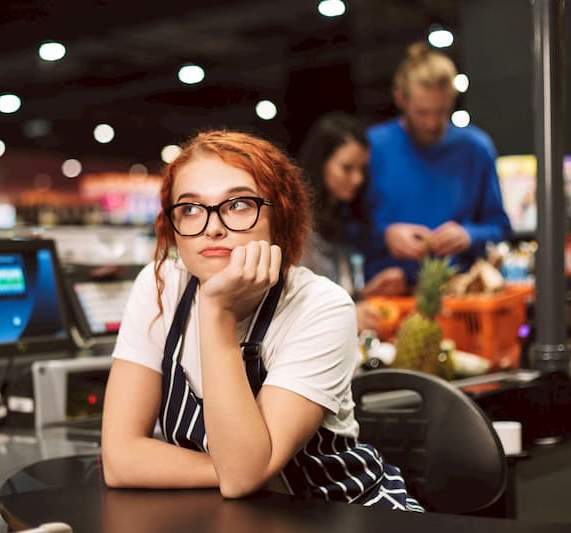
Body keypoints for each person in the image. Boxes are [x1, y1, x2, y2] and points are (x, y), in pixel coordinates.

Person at [101, 130, 423, 511]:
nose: (212, 226)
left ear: (280, 215)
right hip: (238, 516)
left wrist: (216, 312)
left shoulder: (320, 306)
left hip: (343, 514)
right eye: (189, 209)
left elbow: (241, 478)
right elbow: (120, 461)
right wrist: (241, 468)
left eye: (238, 204)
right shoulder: (159, 286)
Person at [364, 42, 512, 286]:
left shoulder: (476, 148)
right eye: (422, 112)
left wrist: (469, 234)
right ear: (400, 98)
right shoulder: (373, 147)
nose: (433, 123)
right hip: (387, 294)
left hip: (459, 291)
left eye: (442, 111)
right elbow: (345, 228)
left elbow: (500, 225)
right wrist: (385, 236)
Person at [298, 112, 407, 333]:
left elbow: (336, 292)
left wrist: (369, 293)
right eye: (347, 168)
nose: (357, 179)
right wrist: (349, 316)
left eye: (362, 170)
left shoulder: (346, 218)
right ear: (321, 163)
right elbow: (295, 308)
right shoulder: (298, 224)